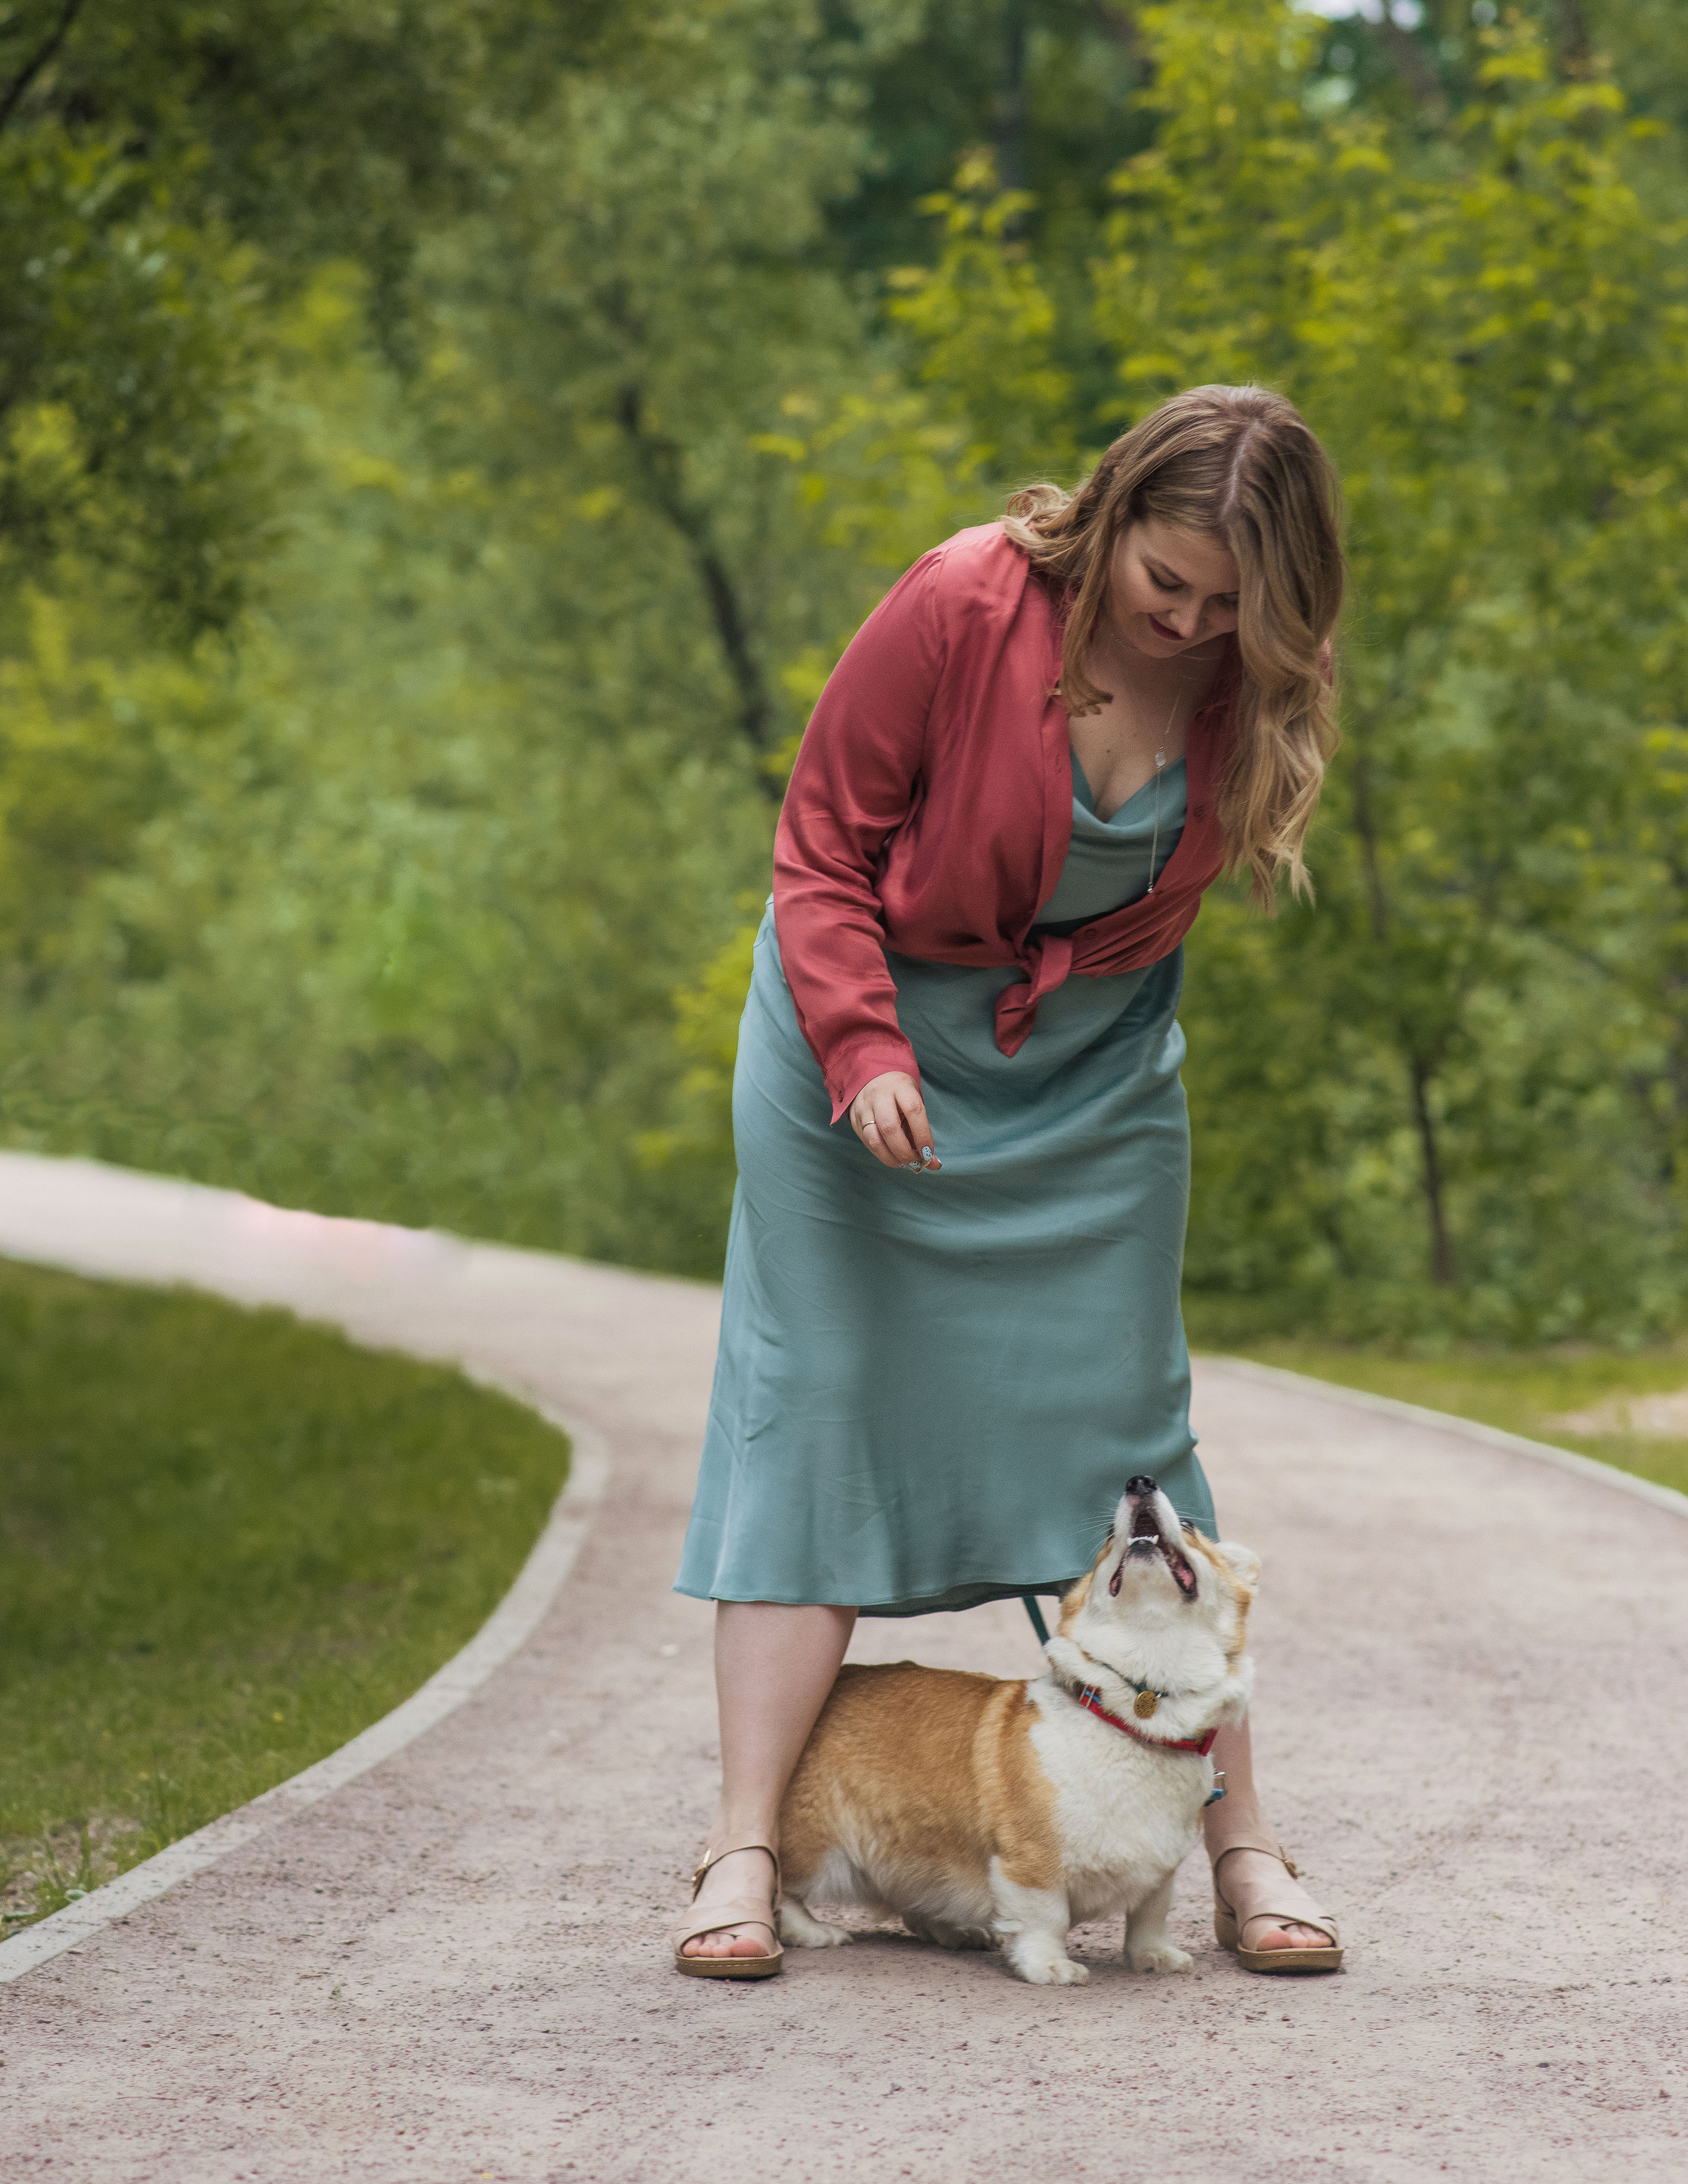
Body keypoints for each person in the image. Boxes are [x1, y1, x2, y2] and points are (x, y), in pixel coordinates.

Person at [670, 383, 1345, 1980]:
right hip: (866, 1046)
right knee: (816, 1415)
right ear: (1109, 518)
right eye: (1160, 582)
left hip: (1091, 1078)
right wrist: (863, 1049)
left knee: (1127, 1439)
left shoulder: (1252, 675)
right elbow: (819, 850)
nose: (1183, 622)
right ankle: (740, 1854)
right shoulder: (963, 600)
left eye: (1225, 604)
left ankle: (1237, 1842)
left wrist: (1231, 649)